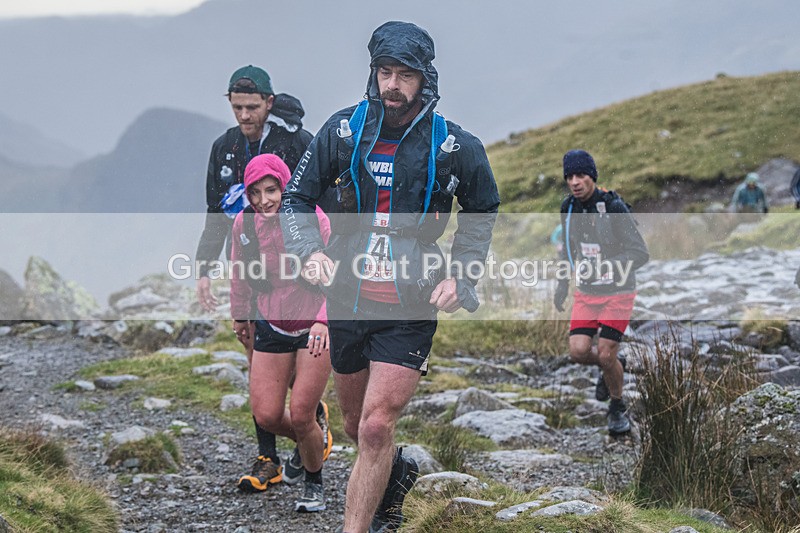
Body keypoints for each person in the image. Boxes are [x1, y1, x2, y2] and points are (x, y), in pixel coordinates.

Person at [280, 21, 500, 532]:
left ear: (426, 79)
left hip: (411, 302)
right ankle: (395, 474)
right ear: (373, 72)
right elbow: (296, 197)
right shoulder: (343, 131)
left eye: (405, 75)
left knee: (377, 427)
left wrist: (462, 277)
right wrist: (308, 251)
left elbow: (482, 207)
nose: (392, 85)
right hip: (347, 297)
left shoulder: (452, 145)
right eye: (385, 72)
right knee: (356, 427)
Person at [194, 65, 322, 495]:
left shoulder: (297, 143)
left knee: (295, 371)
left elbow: (322, 203)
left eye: (252, 107)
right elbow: (216, 211)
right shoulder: (224, 148)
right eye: (237, 108)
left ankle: (309, 425)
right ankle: (268, 455)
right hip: (252, 272)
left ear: (269, 102)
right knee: (258, 365)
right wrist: (204, 269)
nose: (245, 116)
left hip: (300, 275)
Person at [230, 153, 333, 512]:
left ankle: (314, 483)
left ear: (285, 186)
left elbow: (338, 274)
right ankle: (313, 440)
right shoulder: (244, 224)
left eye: (271, 190)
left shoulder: (312, 218)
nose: (263, 200)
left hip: (314, 326)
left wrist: (324, 320)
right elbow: (240, 273)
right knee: (267, 416)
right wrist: (240, 316)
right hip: (271, 323)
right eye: (255, 193)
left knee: (302, 413)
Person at [553, 149, 649, 436]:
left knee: (606, 354)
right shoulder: (568, 208)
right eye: (569, 176)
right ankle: (615, 366)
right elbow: (567, 251)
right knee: (578, 351)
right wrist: (562, 285)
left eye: (580, 175)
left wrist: (606, 266)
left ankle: (617, 406)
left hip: (619, 291)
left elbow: (640, 253)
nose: (574, 182)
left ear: (592, 176)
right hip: (587, 292)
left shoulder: (613, 207)